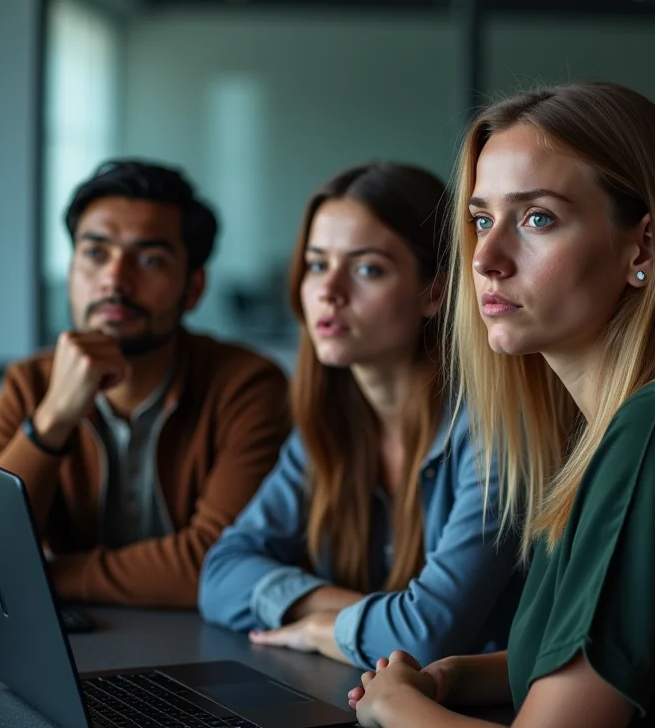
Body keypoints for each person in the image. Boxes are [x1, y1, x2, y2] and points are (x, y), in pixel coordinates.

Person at [349, 82, 655, 727]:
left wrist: (395, 705)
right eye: (481, 220)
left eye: (537, 218)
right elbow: (605, 651)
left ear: (643, 247)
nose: (486, 259)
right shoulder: (615, 425)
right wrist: (453, 675)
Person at [198, 162, 526, 668]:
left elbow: (427, 639)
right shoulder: (328, 427)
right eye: (316, 265)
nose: (328, 291)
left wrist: (320, 628)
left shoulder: (493, 432)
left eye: (367, 269)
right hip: (364, 688)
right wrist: (373, 618)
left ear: (434, 293)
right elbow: (219, 576)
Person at [0, 159, 290, 608]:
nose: (115, 280)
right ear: (70, 272)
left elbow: (218, 565)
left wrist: (42, 576)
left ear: (193, 288)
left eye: (150, 260)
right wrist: (52, 420)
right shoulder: (29, 382)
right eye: (95, 253)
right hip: (67, 636)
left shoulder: (246, 386)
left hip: (204, 639)